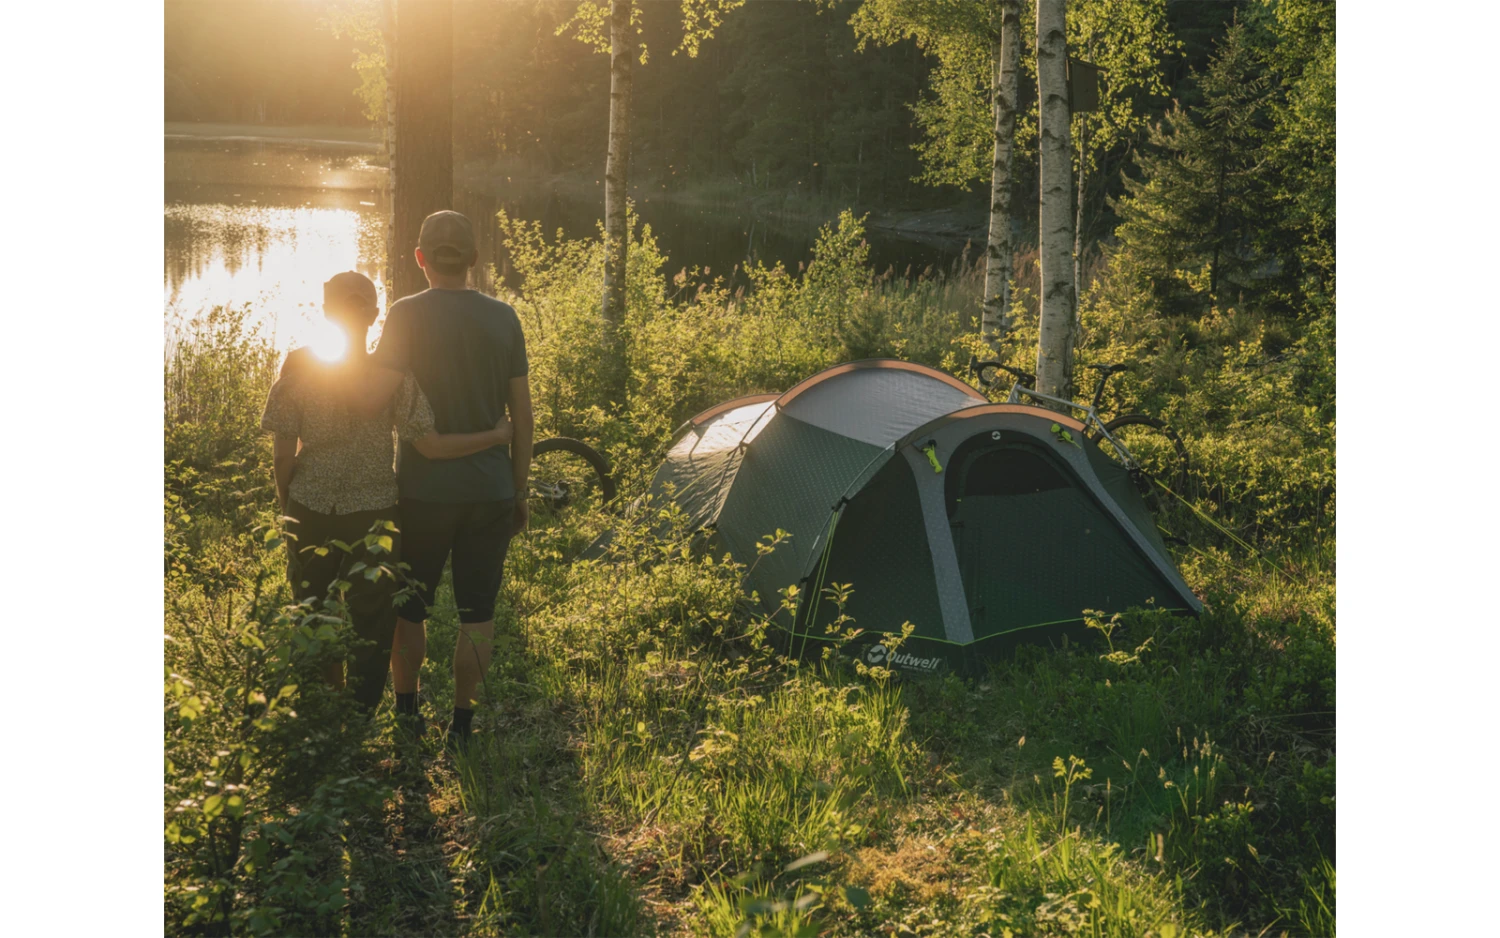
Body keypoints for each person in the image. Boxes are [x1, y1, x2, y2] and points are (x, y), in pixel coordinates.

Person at [260, 270, 515, 713]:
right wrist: (496, 437)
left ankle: (322, 710)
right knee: (372, 623)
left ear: (325, 311)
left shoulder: (299, 366)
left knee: (313, 611)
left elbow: (283, 456)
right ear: (376, 315)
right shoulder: (392, 375)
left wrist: (290, 511)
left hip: (309, 508)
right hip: (373, 517)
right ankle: (357, 717)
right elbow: (431, 446)